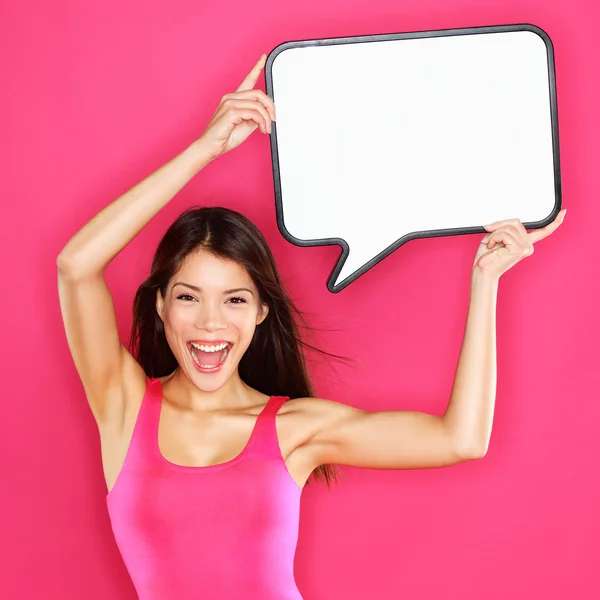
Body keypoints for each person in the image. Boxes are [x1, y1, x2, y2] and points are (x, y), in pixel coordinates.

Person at [56, 53, 565, 600]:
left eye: (234, 299)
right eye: (187, 297)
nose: (210, 322)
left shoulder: (294, 428)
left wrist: (485, 278)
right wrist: (205, 149)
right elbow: (75, 266)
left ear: (260, 312)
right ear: (159, 306)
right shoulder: (124, 406)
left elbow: (460, 439)